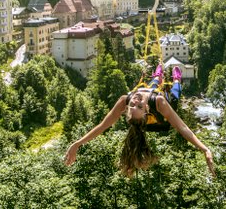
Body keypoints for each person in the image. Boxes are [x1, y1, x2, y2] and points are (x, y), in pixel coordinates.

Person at [65, 65, 215, 177]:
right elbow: (182, 127)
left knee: (151, 86)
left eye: (133, 105)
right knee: (174, 95)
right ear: (146, 109)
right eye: (139, 105)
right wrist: (204, 148)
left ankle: (158, 76)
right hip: (161, 123)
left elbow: (103, 125)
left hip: (150, 97)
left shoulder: (126, 99)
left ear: (127, 107)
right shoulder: (159, 102)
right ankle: (177, 79)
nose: (136, 100)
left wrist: (77, 144)